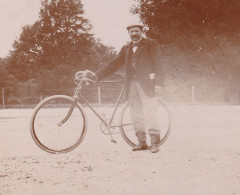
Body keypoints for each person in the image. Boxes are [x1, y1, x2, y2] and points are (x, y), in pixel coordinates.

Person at [77, 23, 164, 153]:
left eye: (136, 31)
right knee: (136, 114)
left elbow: (159, 63)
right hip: (131, 85)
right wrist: (96, 75)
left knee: (151, 112)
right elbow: (114, 64)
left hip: (147, 85)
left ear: (142, 31)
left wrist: (159, 83)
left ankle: (155, 143)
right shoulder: (126, 48)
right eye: (131, 32)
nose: (134, 34)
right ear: (128, 33)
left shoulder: (151, 44)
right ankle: (141, 142)